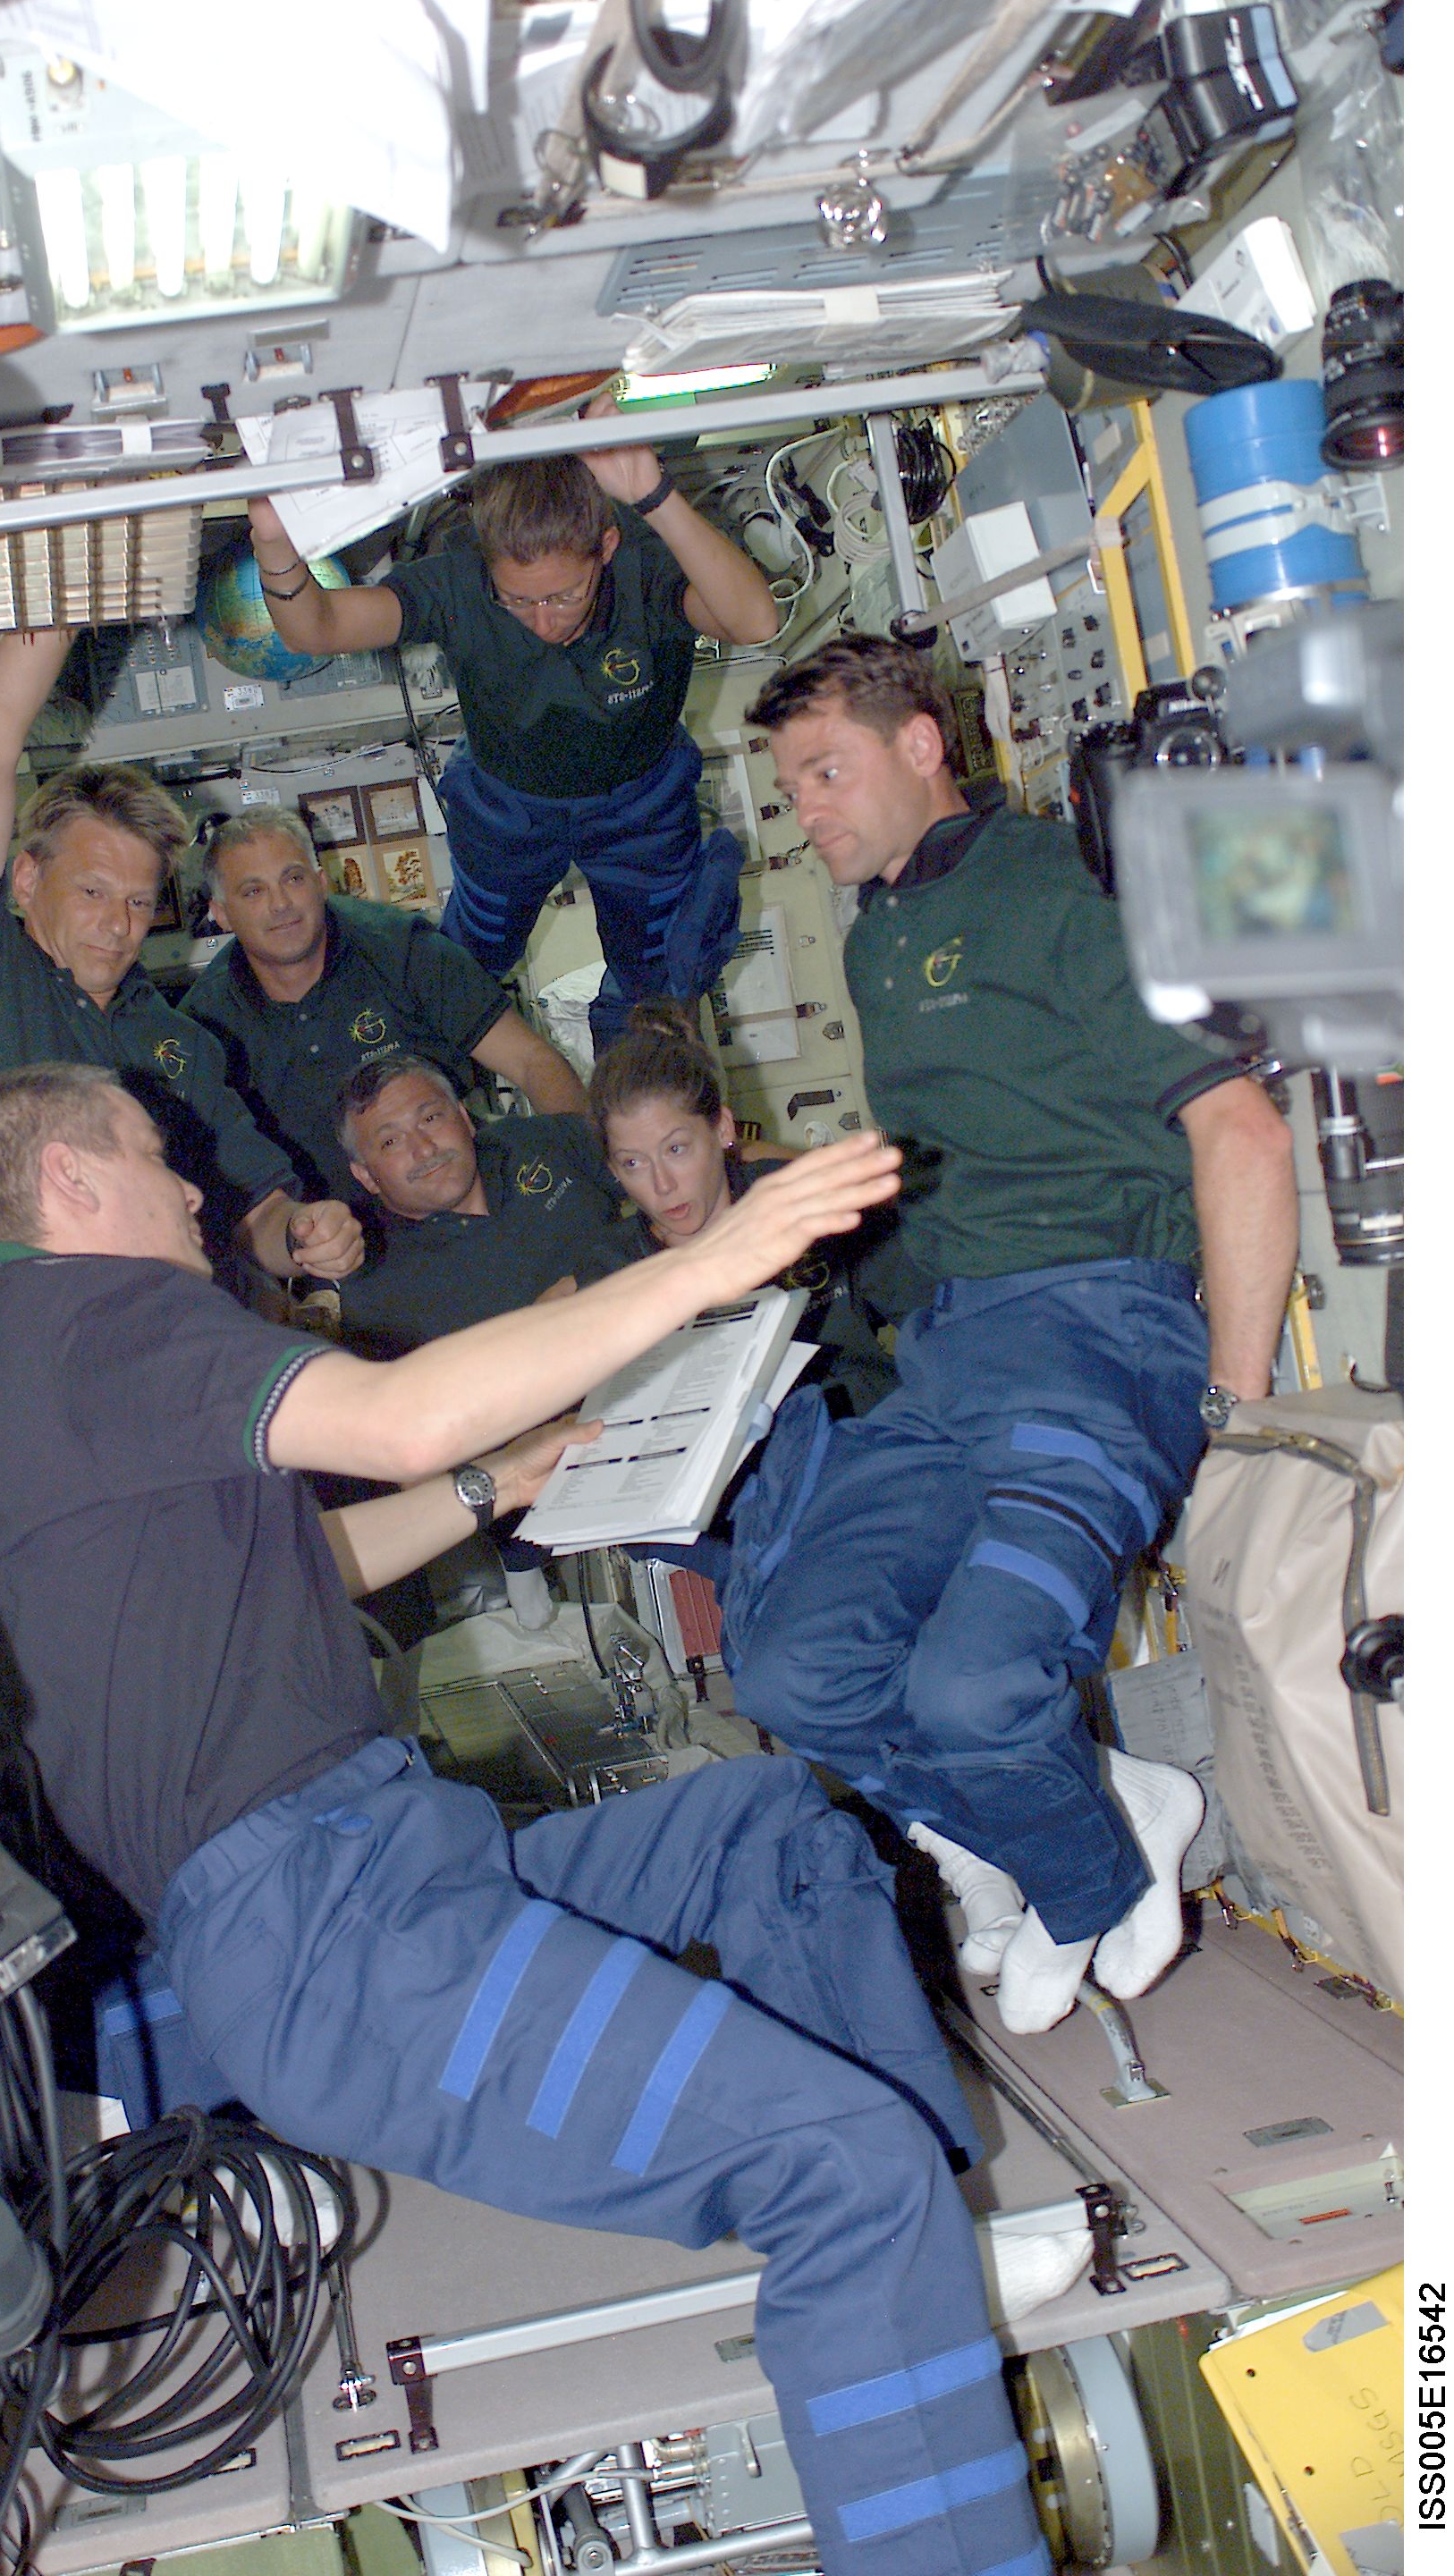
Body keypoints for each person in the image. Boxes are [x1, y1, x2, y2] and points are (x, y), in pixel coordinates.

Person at [0, 1061, 1058, 2576]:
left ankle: (926, 2248)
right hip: (333, 1933)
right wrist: (706, 1259)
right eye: (156, 1160)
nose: (193, 1191)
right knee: (835, 2173)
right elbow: (392, 1416)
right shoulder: (97, 1315)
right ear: (71, 1181)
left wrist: (494, 1479)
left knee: (770, 1825)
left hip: (377, 1867)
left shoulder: (47, 1363)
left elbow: (303, 1562)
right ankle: (898, 2283)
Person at [722, 633, 1301, 2035]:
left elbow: (1237, 1130)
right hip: (951, 1353)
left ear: (923, 743)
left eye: (826, 771)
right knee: (791, 1663)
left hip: (1105, 1338)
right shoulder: (880, 937)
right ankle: (1072, 1827)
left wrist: (1232, 1411)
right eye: (792, 787)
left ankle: (1089, 1871)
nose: (808, 810)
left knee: (977, 1685)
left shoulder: (1057, 895)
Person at [246, 433, 780, 1045]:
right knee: (466, 965)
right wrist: (273, 543)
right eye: (519, 600)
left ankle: (633, 1123)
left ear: (605, 547)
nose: (545, 620)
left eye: (564, 595)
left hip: (642, 804)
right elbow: (319, 629)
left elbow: (756, 620)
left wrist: (653, 495)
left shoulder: (644, 567)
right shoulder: (459, 583)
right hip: (509, 809)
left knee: (655, 992)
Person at [0, 628, 362, 1283]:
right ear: (28, 880)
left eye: (140, 902)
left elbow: (256, 1209)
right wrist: (59, 599)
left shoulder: (186, 1048)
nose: (117, 925)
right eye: (93, 891)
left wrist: (302, 1234)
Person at [180, 805, 587, 1204]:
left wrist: (588, 1172)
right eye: (253, 891)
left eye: (294, 878)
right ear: (221, 914)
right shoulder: (204, 1023)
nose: (280, 904)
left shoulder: (402, 950)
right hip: (328, 1239)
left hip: (459, 1201)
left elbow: (531, 1061)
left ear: (322, 884)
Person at [588, 1001, 900, 1418]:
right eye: (633, 1163)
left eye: (676, 1149)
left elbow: (940, 1311)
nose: (662, 1185)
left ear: (722, 1129)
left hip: (869, 1441)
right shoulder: (612, 1270)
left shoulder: (800, 1203)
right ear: (612, 1170)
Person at [331, 1060, 630, 1354]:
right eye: (391, 1141)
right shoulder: (375, 1293)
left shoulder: (532, 1142)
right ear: (366, 1176)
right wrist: (534, 1340)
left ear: (464, 1117)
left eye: (431, 1118)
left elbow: (660, 1180)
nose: (424, 1148)